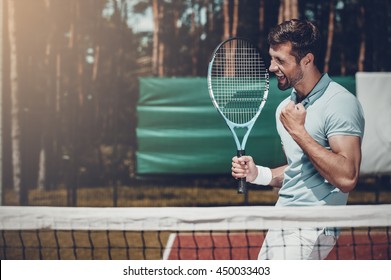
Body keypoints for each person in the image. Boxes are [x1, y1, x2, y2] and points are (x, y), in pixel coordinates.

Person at [231, 19, 365, 260]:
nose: (271, 67)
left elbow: (347, 177)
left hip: (313, 225)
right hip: (283, 220)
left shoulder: (340, 103)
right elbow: (299, 170)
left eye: (280, 60)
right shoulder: (285, 107)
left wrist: (299, 132)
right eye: (272, 58)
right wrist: (258, 174)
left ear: (307, 60)